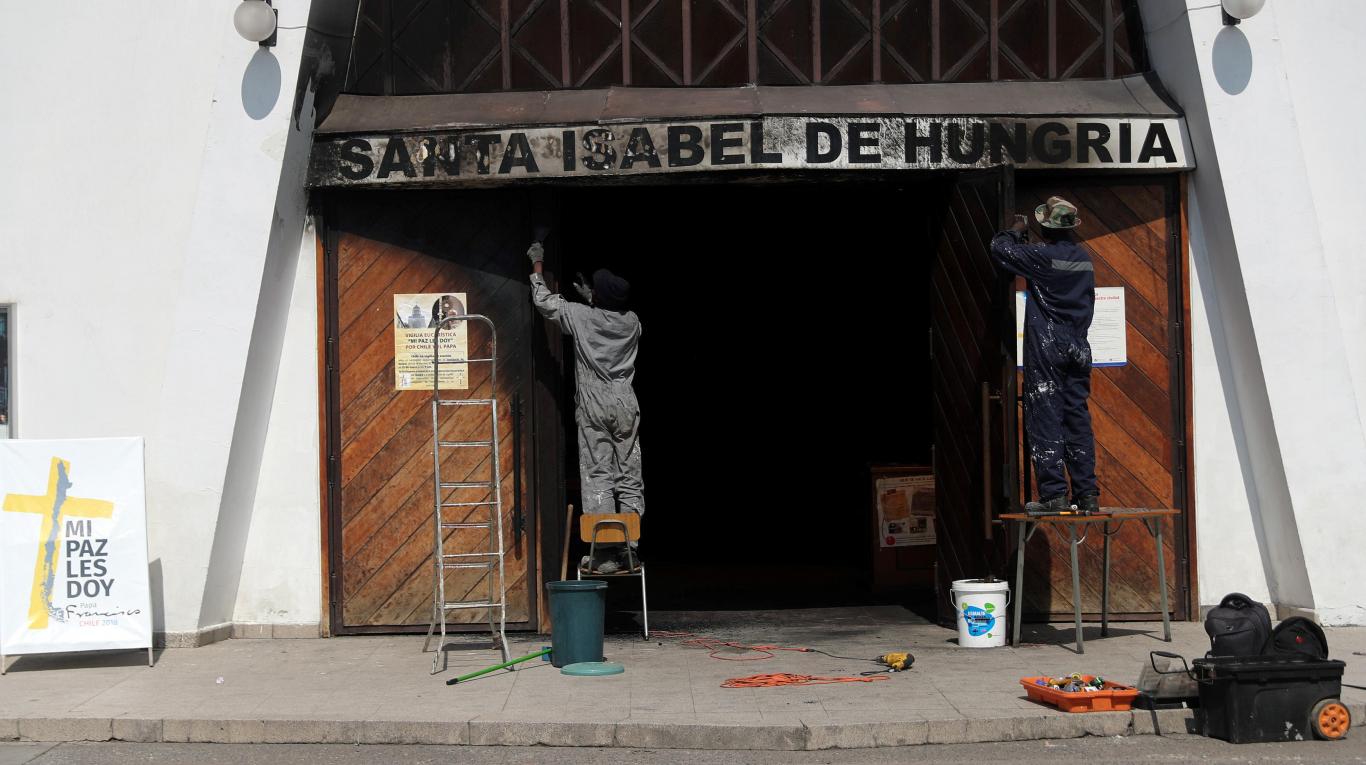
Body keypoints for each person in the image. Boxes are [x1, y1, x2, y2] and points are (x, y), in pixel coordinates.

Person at [527, 240, 644, 573]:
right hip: (625, 401)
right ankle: (630, 548)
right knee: (629, 473)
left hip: (594, 402)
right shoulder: (633, 322)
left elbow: (545, 302)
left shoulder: (579, 316)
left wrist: (538, 264)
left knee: (598, 474)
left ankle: (605, 550)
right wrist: (596, 300)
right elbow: (611, 318)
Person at [990, 197, 1099, 515]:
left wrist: (1014, 230)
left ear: (1045, 227)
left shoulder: (1044, 258)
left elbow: (999, 250)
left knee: (1045, 415)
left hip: (1049, 344)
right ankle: (1087, 493)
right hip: (1078, 345)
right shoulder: (1084, 259)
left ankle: (1054, 495)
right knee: (1076, 416)